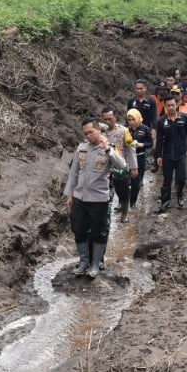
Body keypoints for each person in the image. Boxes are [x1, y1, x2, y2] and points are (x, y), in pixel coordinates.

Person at [64, 118, 126, 278]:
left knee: (98, 232)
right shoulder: (81, 148)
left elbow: (121, 165)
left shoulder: (109, 148)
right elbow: (74, 173)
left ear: (99, 130)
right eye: (85, 134)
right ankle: (84, 261)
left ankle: (95, 264)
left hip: (99, 199)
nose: (88, 136)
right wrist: (69, 194)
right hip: (79, 197)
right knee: (79, 230)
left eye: (90, 132)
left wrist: (108, 150)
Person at [155, 97, 187, 213]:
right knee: (167, 180)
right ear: (165, 106)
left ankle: (180, 195)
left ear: (176, 104)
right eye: (168, 105)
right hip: (167, 155)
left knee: (181, 178)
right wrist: (158, 155)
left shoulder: (184, 118)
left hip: (181, 154)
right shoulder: (162, 121)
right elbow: (159, 140)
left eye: (173, 105)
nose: (171, 108)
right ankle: (165, 202)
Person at [102, 107, 138, 223]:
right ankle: (105, 217)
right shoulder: (101, 132)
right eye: (105, 119)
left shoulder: (124, 131)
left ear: (116, 118)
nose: (107, 122)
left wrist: (133, 167)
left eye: (110, 119)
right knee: (107, 193)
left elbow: (131, 148)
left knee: (122, 192)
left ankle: (125, 213)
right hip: (105, 167)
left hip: (120, 167)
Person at [126, 108, 152, 209]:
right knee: (124, 181)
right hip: (127, 158)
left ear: (137, 118)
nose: (131, 122)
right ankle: (122, 203)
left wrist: (141, 144)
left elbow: (150, 143)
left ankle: (133, 202)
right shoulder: (126, 130)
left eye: (133, 119)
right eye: (129, 120)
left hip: (139, 157)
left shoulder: (144, 129)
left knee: (136, 183)